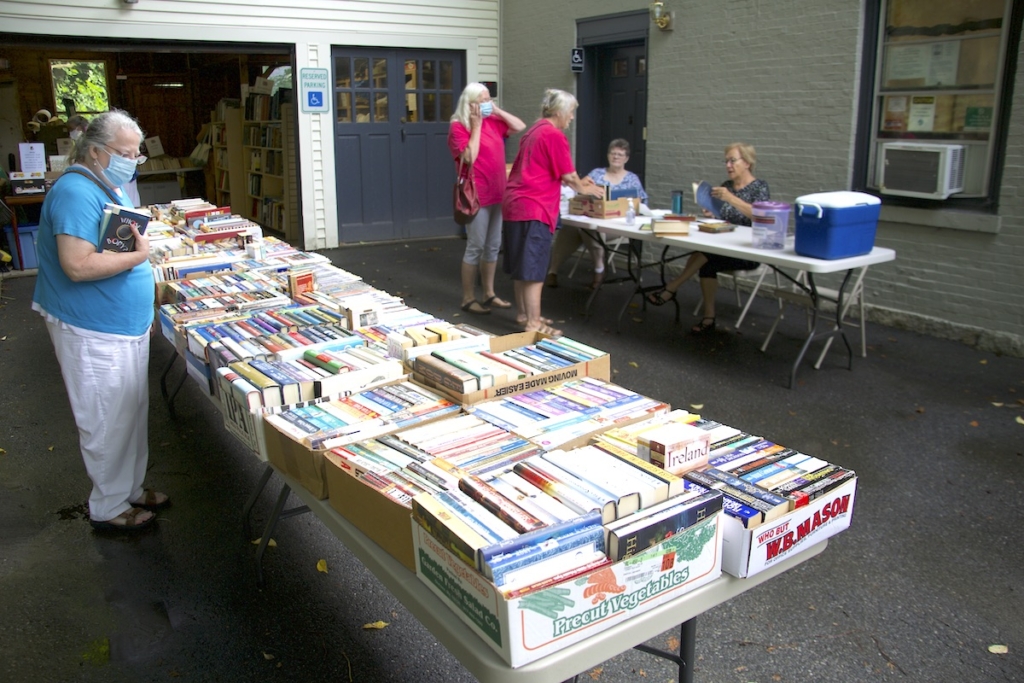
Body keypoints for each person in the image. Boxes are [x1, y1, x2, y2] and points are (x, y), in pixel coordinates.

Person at [32, 109, 167, 532]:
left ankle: (128, 488)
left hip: (118, 325)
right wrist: (140, 257)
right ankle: (108, 507)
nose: (132, 161)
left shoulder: (104, 184)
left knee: (129, 412)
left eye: (136, 154)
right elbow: (77, 265)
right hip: (92, 328)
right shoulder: (76, 192)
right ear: (94, 151)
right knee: (106, 420)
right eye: (124, 153)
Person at [502, 89, 600, 337]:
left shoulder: (534, 131)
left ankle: (524, 314)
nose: (572, 117)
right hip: (535, 207)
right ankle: (533, 324)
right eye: (571, 112)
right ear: (559, 111)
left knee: (522, 266)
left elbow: (547, 169)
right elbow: (569, 176)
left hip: (516, 204)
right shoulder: (553, 134)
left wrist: (578, 183)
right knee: (534, 270)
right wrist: (586, 189)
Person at [646, 142, 770, 334]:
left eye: (732, 161)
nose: (728, 165)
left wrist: (730, 199)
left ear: (747, 162)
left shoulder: (759, 187)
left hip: (748, 250)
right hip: (723, 245)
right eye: (726, 161)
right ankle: (708, 317)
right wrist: (712, 213)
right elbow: (724, 219)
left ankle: (672, 287)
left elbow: (761, 217)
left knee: (705, 254)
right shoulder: (727, 186)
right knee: (706, 260)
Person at [448, 83, 526, 315]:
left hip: (498, 192)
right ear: (469, 103)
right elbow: (469, 157)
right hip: (476, 195)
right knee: (476, 246)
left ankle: (489, 293)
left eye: (488, 99)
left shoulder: (493, 119)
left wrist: (496, 110)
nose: (486, 104)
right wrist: (476, 126)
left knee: (493, 246)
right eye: (482, 100)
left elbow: (519, 126)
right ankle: (468, 298)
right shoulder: (458, 126)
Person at [546, 138, 647, 290]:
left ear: (626, 158)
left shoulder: (632, 179)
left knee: (589, 229)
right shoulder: (596, 174)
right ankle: (553, 271)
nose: (616, 157)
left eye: (620, 154)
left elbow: (641, 204)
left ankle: (599, 270)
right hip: (590, 220)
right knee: (570, 229)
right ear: (608, 155)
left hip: (616, 226)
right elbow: (578, 192)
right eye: (613, 153)